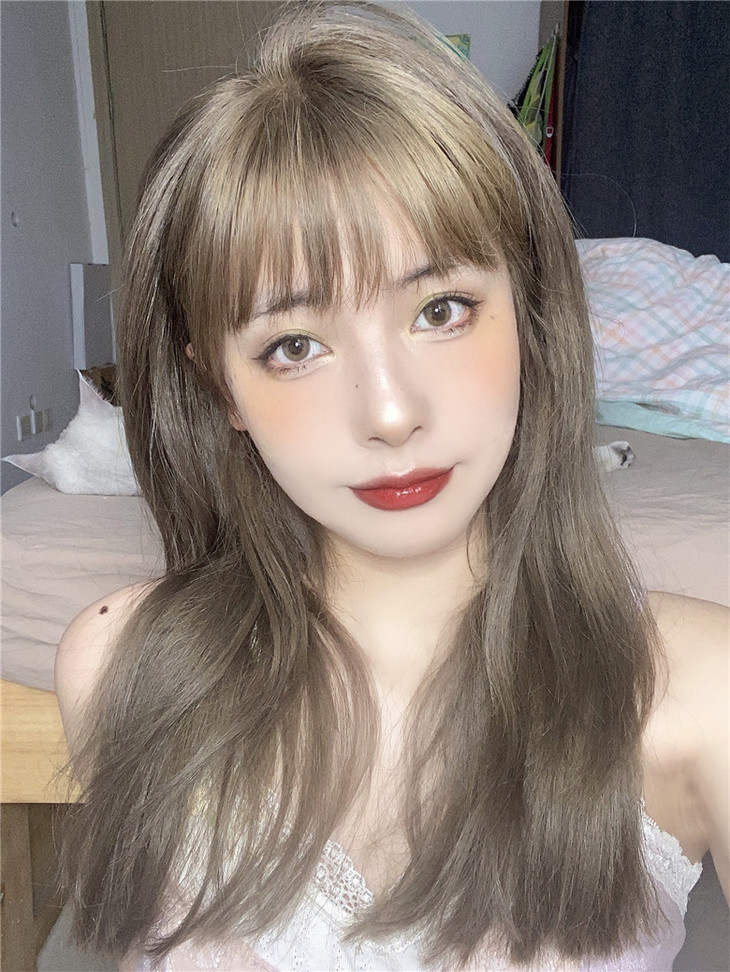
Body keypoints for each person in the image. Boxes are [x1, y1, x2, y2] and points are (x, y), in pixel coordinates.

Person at [55, 2, 728, 969]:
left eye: (441, 310)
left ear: (530, 314)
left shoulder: (699, 691)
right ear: (221, 388)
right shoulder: (120, 669)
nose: (390, 413)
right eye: (295, 346)